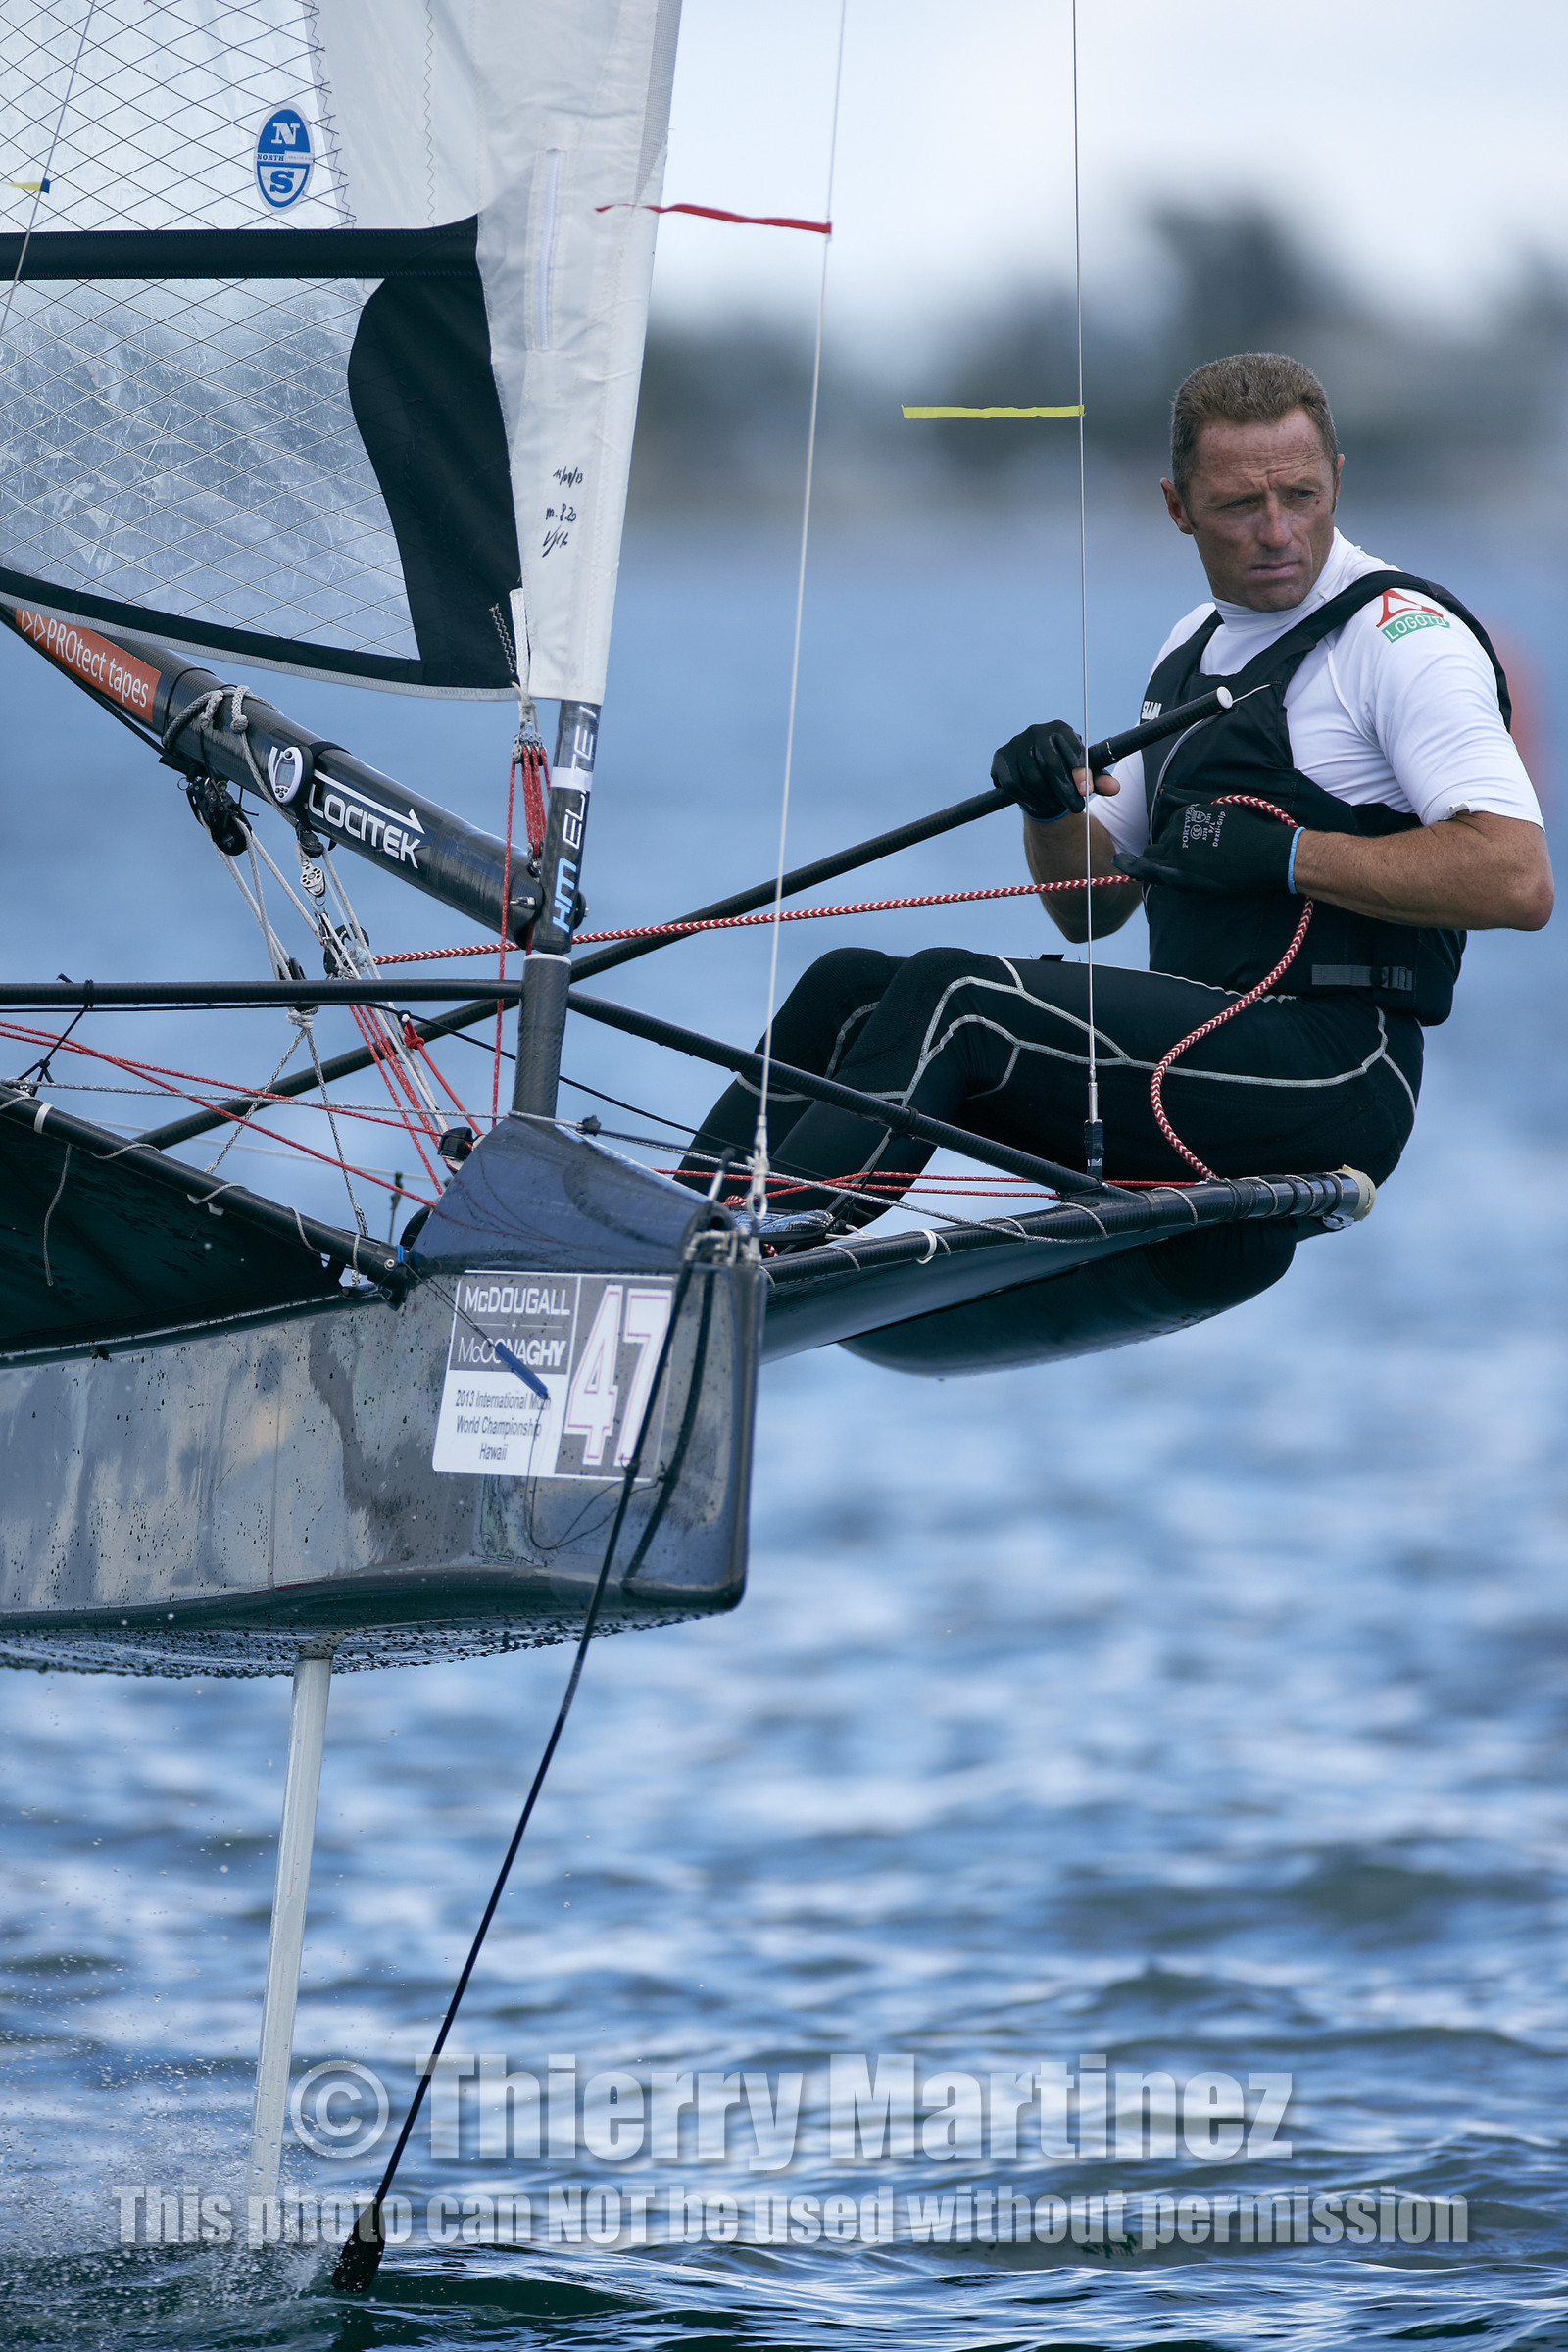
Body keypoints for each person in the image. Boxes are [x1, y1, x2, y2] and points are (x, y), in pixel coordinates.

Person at [682, 352, 1551, 1221]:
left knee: (956, 998)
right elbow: (1091, 908)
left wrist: (1286, 856)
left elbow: (1518, 880)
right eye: (1240, 505)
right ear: (1178, 507)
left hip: (1337, 1072)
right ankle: (653, 1226)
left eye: (1301, 495)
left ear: (1337, 480)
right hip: (1205, 1054)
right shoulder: (1190, 646)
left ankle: (759, 1247)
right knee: (848, 985)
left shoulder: (1401, 641)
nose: (1277, 531)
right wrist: (1051, 807)